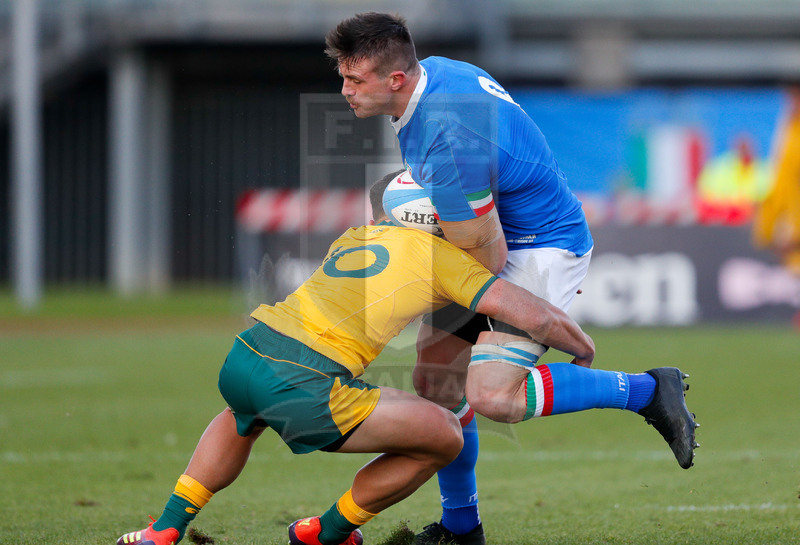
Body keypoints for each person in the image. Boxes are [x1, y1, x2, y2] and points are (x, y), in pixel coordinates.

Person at [114, 173, 697, 545]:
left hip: (248, 355)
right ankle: (328, 534)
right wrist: (581, 349)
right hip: (308, 383)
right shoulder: (445, 259)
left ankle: (164, 529)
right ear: (440, 220)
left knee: (246, 416)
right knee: (443, 431)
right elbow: (535, 316)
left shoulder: (355, 236)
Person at [325, 12, 600, 544]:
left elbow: (487, 264)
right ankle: (462, 528)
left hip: (541, 248)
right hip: (498, 228)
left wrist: (406, 263)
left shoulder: (446, 142)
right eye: (343, 76)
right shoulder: (437, 76)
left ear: (396, 79)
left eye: (354, 80)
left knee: (493, 397)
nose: (345, 91)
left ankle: (647, 390)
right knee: (435, 385)